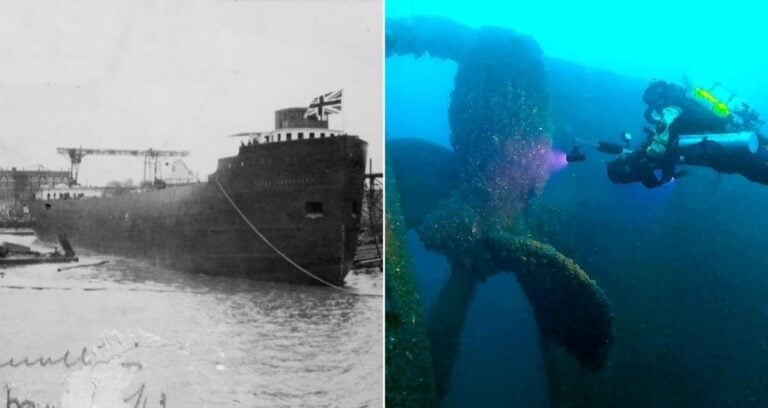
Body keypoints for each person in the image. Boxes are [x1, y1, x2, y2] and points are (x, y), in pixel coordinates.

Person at [604, 78, 767, 188]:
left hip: (722, 146)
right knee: (756, 162)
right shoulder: (687, 100)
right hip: (730, 134)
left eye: (652, 99)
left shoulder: (672, 107)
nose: (653, 106)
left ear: (658, 94)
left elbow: (659, 146)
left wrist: (650, 153)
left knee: (753, 169)